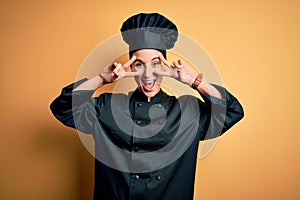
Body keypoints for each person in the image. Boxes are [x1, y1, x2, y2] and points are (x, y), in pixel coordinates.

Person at [50, 13, 244, 200]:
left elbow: (232, 111)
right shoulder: (107, 107)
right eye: (139, 65)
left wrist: (195, 81)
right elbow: (63, 107)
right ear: (131, 68)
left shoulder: (189, 111)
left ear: (166, 66)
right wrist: (101, 79)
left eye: (156, 63)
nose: (148, 73)